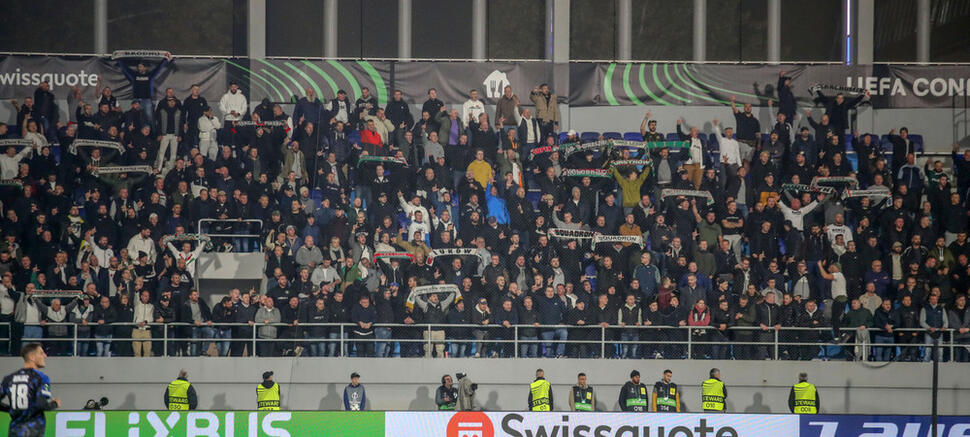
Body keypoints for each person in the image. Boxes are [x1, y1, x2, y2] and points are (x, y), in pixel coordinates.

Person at [1, 343, 61, 437]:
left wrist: (11, 409)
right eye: (41, 353)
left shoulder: (9, 378)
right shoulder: (41, 378)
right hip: (33, 430)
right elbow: (40, 405)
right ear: (32, 357)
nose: (45, 356)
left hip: (14, 431)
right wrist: (54, 404)